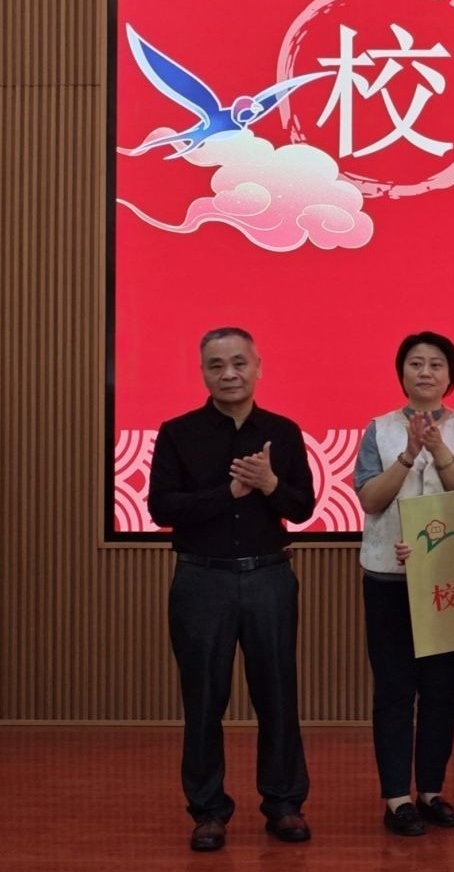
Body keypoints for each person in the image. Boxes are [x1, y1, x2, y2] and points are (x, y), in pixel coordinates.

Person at [147, 327, 318, 853]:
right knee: (203, 699)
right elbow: (161, 508)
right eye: (216, 365)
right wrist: (230, 492)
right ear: (203, 373)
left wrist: (269, 484)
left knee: (278, 695)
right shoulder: (177, 433)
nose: (229, 374)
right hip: (202, 581)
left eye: (239, 363)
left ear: (258, 367)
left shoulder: (283, 432)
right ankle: (208, 811)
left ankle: (284, 804)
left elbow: (302, 507)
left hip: (269, 577)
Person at [352, 332, 454, 835]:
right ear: (401, 373)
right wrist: (408, 454)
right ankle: (396, 798)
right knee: (394, 690)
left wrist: (439, 448)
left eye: (436, 364)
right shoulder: (379, 429)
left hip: (448, 580)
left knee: (441, 692)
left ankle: (430, 791)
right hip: (388, 577)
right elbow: (370, 500)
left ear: (451, 375)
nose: (425, 372)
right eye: (415, 364)